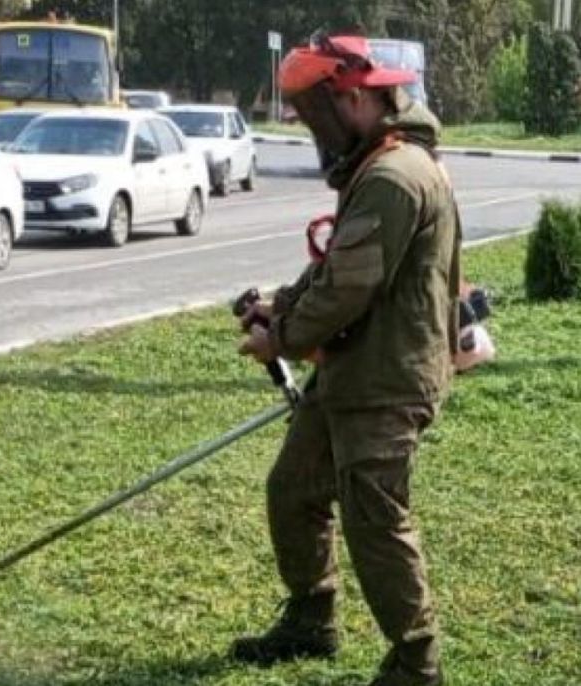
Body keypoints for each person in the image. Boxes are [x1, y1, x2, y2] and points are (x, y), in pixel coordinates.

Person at [233, 34, 461, 686]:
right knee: (294, 490)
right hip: (352, 368)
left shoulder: (395, 176)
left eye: (316, 113)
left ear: (355, 98)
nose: (313, 129)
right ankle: (313, 619)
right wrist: (281, 305)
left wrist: (281, 338)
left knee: (376, 522)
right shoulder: (376, 163)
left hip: (387, 380)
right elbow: (337, 266)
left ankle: (416, 665)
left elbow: (347, 289)